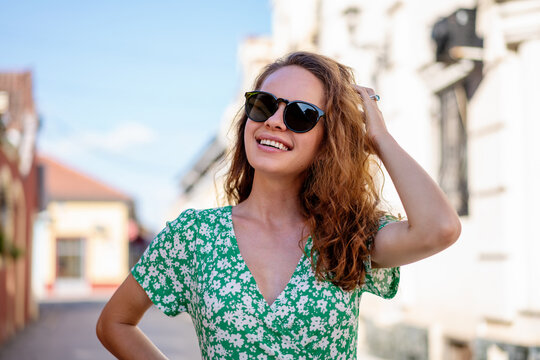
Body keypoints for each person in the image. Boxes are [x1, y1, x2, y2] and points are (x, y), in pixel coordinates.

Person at [96, 51, 461, 359]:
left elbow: (439, 229)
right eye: (263, 104)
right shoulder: (195, 235)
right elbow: (115, 323)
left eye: (300, 115)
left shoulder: (349, 235)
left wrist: (379, 138)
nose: (273, 121)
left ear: (328, 139)